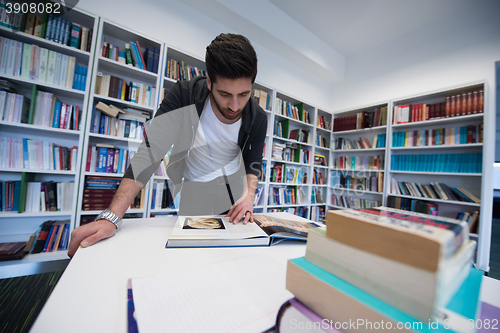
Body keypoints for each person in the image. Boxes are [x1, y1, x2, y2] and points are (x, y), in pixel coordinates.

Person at [68, 33, 267, 258]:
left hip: (232, 197)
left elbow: (254, 162)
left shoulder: (257, 117)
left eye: (244, 94)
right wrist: (112, 217)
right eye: (224, 94)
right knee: (190, 255)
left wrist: (249, 196)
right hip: (194, 189)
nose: (234, 105)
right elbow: (151, 152)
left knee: (230, 258)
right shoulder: (184, 94)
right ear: (209, 81)